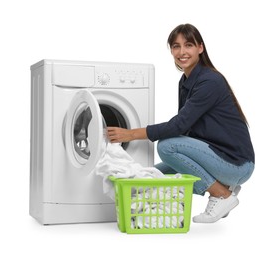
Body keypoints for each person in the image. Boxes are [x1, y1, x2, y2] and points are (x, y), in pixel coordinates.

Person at [107, 23, 255, 223]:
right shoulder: (185, 81)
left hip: (235, 164)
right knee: (152, 175)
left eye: (188, 45)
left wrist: (130, 134)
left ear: (200, 48)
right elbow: (186, 129)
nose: (182, 52)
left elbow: (178, 126)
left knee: (167, 146)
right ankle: (220, 187)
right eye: (176, 46)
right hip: (218, 158)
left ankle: (222, 194)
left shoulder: (210, 81)